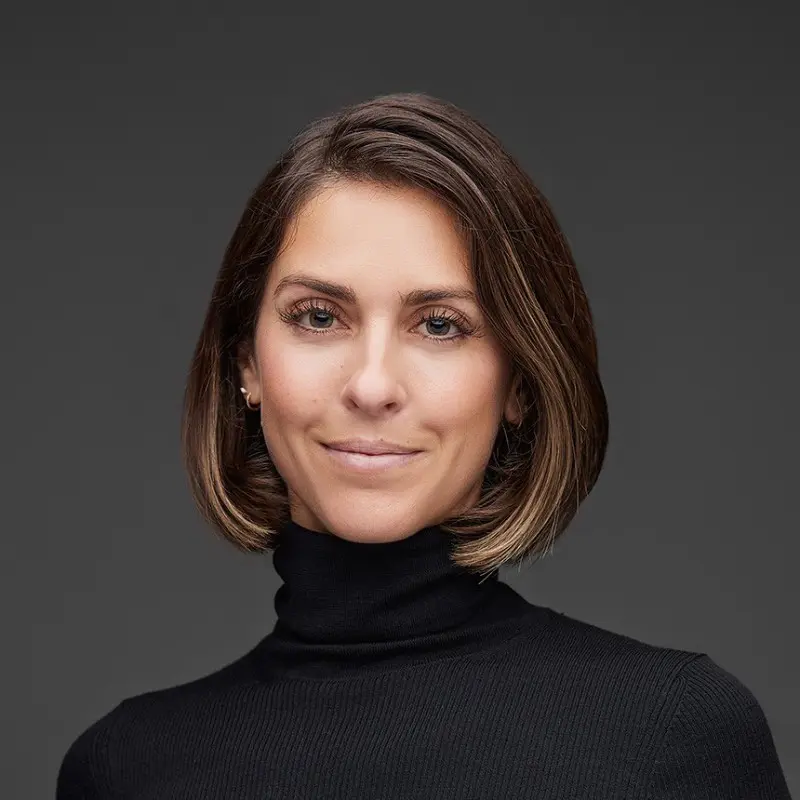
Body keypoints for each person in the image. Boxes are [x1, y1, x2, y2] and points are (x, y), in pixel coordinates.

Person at [56, 91, 792, 799]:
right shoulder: (124, 767)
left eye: (440, 325)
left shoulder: (671, 734)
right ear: (246, 361)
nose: (372, 386)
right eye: (317, 316)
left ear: (520, 384)